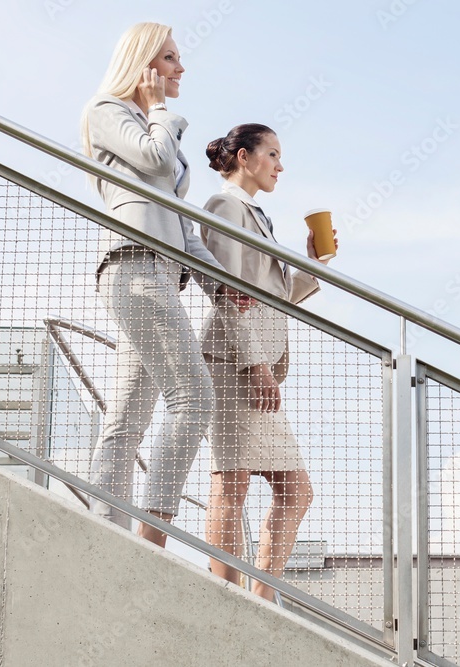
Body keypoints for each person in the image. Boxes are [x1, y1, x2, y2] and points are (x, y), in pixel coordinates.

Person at [80, 22, 248, 546]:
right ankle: (152, 535)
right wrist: (157, 110)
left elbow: (177, 223)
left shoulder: (151, 125)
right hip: (135, 268)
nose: (181, 68)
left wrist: (219, 285)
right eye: (171, 58)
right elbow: (152, 158)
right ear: (145, 65)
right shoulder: (107, 111)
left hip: (159, 272)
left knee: (126, 418)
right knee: (194, 398)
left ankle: (103, 534)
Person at [200, 124, 337, 600]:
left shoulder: (256, 216)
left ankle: (259, 597)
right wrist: (256, 364)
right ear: (244, 157)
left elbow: (273, 299)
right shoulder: (225, 207)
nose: (281, 165)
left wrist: (313, 264)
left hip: (257, 366)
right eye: (273, 154)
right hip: (236, 364)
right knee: (230, 483)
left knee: (295, 491)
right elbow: (226, 294)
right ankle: (228, 598)